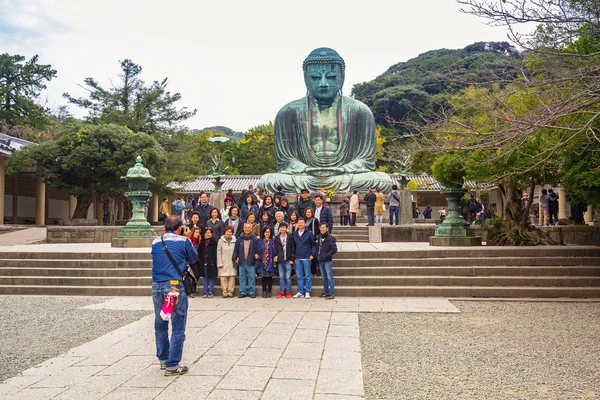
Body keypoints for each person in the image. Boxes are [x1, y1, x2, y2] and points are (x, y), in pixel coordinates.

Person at [256, 47, 392, 193]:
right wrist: (306, 169)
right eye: (315, 77)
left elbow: (365, 160)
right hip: (305, 176)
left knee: (382, 180)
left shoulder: (360, 111)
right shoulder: (288, 112)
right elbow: (286, 161)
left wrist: (343, 169)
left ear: (342, 76)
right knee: (268, 181)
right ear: (305, 77)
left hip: (345, 175)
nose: (323, 83)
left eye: (331, 77)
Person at [151, 216, 197, 376]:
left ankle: (163, 359)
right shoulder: (184, 241)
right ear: (181, 228)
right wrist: (187, 237)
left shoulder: (155, 242)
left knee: (161, 323)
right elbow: (193, 258)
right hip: (175, 287)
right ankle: (172, 364)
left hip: (157, 286)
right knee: (178, 326)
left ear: (164, 228)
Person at [233, 223, 259, 298]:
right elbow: (236, 250)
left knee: (252, 277)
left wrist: (257, 259)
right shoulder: (239, 239)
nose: (247, 229)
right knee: (242, 277)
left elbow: (257, 250)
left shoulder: (254, 239)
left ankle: (251, 292)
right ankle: (242, 291)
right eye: (245, 228)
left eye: (248, 228)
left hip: (251, 261)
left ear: (251, 229)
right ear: (243, 228)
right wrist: (235, 258)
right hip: (241, 261)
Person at [293, 218, 316, 298]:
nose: (300, 224)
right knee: (299, 276)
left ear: (305, 224)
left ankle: (308, 291)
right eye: (299, 223)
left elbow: (313, 244)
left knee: (307, 275)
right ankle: (300, 292)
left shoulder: (309, 233)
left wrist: (313, 254)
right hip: (298, 257)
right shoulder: (295, 233)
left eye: (302, 223)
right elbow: (293, 246)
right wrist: (293, 257)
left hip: (307, 257)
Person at [316, 222, 337, 299]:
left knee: (329, 276)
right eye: (321, 227)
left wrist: (327, 255)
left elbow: (334, 249)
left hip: (327, 260)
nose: (322, 229)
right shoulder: (318, 237)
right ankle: (326, 292)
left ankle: (331, 292)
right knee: (324, 277)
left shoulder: (330, 238)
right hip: (320, 260)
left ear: (327, 228)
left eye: (324, 227)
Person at [274, 222, 295, 298]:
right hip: (280, 260)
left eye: (284, 227)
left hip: (288, 260)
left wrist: (292, 258)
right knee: (282, 277)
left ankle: (288, 291)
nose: (282, 229)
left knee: (288, 277)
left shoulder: (290, 237)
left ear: (286, 228)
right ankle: (282, 291)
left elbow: (293, 248)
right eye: (281, 227)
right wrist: (275, 256)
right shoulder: (277, 238)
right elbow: (275, 249)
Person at [217, 226, 237, 298]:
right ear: (224, 232)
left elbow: (236, 251)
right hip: (223, 261)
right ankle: (224, 291)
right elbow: (218, 252)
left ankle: (230, 291)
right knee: (223, 277)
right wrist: (220, 263)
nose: (229, 233)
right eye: (227, 231)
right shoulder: (221, 241)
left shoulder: (235, 240)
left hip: (232, 261)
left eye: (230, 232)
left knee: (231, 277)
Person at [198, 227, 218, 298]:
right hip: (203, 262)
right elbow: (199, 253)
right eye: (206, 233)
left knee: (211, 277)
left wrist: (213, 261)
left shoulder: (214, 242)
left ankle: (210, 291)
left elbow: (216, 253)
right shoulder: (202, 242)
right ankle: (205, 291)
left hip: (211, 263)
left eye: (209, 233)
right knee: (205, 278)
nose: (207, 234)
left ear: (211, 234)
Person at [257, 226, 276, 298]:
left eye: (268, 232)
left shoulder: (273, 240)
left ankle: (269, 291)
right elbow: (257, 250)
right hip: (262, 261)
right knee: (263, 277)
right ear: (263, 233)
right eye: (266, 232)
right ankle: (264, 291)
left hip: (270, 261)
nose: (267, 233)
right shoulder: (260, 241)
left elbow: (275, 250)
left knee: (269, 277)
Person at [304, 207, 320, 276]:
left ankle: (313, 271)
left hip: (312, 240)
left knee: (313, 255)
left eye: (309, 212)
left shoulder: (315, 220)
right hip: (304, 240)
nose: (308, 213)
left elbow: (317, 231)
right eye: (307, 212)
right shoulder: (304, 220)